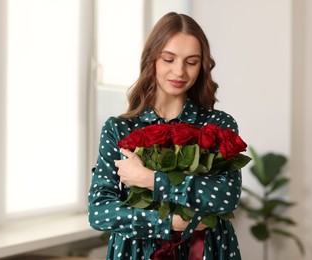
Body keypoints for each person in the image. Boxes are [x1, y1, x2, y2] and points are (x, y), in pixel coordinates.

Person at [88, 12, 243, 259]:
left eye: (191, 62)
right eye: (169, 59)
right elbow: (100, 212)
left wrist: (152, 179)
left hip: (207, 251)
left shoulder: (218, 125)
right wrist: (169, 222)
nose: (179, 71)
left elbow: (226, 197)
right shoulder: (119, 128)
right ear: (152, 60)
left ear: (202, 66)